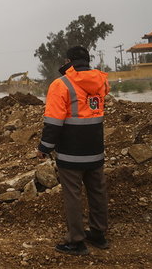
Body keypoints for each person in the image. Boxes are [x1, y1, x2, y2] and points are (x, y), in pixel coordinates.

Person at [37, 46, 110, 255]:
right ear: (87, 60)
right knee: (97, 192)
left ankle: (76, 241)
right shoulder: (102, 81)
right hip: (95, 150)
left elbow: (53, 123)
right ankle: (98, 234)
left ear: (68, 60)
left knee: (73, 196)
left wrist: (44, 148)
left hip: (71, 153)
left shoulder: (60, 85)